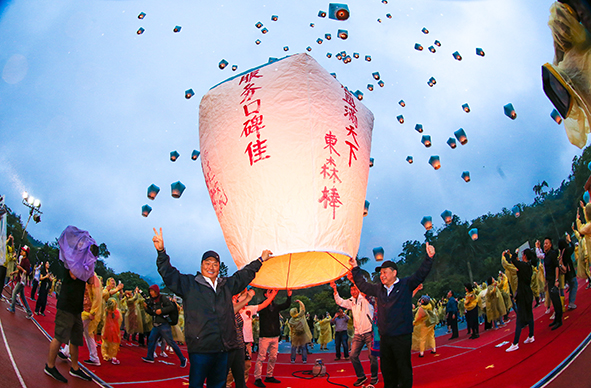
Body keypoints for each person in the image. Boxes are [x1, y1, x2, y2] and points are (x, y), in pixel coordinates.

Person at [152, 227, 272, 388]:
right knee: (196, 384)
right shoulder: (190, 284)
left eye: (215, 264)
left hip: (223, 349)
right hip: (200, 349)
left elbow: (243, 275)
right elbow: (169, 274)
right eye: (207, 263)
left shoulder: (225, 286)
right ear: (201, 265)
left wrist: (260, 260)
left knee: (218, 385)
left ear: (218, 267)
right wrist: (161, 252)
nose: (211, 267)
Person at [351, 242, 435, 388]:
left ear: (394, 273)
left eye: (385, 272)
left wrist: (429, 257)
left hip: (402, 336)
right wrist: (355, 268)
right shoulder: (379, 289)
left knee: (403, 368)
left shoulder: (405, 285)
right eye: (381, 273)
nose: (382, 275)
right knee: (387, 369)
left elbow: (420, 274)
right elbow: (363, 286)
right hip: (385, 338)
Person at [44, 264, 97, 382]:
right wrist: (85, 267)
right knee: (59, 336)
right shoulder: (71, 259)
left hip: (77, 307)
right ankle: (50, 366)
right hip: (66, 304)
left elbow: (91, 281)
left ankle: (74, 367)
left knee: (75, 339)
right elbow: (74, 275)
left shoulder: (85, 263)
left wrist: (91, 264)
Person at [331, 280, 378, 387]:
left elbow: (364, 291)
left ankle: (374, 377)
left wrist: (354, 280)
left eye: (355, 289)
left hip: (369, 331)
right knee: (353, 355)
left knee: (372, 356)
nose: (353, 292)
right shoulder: (351, 301)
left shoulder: (366, 299)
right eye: (351, 290)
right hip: (358, 333)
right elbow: (340, 301)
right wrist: (334, 289)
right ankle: (361, 376)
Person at [141, 284, 187, 367]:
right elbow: (152, 313)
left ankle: (183, 359)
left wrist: (161, 310)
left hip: (163, 324)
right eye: (150, 291)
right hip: (156, 324)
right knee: (151, 340)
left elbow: (171, 307)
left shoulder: (163, 298)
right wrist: (146, 308)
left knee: (170, 342)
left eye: (152, 291)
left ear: (156, 291)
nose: (151, 293)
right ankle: (150, 357)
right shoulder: (152, 300)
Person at [254, 289, 292, 388]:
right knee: (261, 357)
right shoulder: (262, 306)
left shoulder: (275, 306)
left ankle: (269, 375)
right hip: (265, 336)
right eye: (270, 292)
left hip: (275, 335)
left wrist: (289, 295)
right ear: (265, 294)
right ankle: (257, 378)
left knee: (273, 357)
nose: (273, 293)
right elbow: (259, 309)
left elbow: (286, 305)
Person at [504, 249, 535, 352]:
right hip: (528, 292)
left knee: (520, 318)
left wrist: (514, 252)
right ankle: (531, 335)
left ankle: (515, 343)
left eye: (522, 255)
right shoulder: (529, 266)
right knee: (529, 314)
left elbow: (513, 260)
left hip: (522, 293)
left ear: (525, 256)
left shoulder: (523, 266)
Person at [540, 237, 563, 329]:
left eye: (546, 243)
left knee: (556, 300)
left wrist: (556, 280)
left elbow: (556, 267)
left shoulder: (553, 254)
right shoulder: (546, 255)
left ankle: (559, 320)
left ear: (550, 245)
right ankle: (556, 319)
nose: (545, 245)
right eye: (544, 243)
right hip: (549, 280)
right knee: (553, 299)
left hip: (554, 279)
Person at [7, 245, 33, 318]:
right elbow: (19, 269)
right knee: (22, 296)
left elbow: (27, 272)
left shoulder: (26, 261)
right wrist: (14, 272)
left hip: (22, 281)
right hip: (20, 279)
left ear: (26, 253)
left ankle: (12, 308)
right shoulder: (22, 259)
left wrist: (20, 269)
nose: (21, 252)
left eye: (23, 251)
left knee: (14, 292)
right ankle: (29, 312)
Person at [289, 299, 312, 364]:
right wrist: (300, 302)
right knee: (303, 347)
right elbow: (303, 309)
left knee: (294, 347)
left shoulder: (291, 320)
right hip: (302, 334)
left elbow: (291, 327)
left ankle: (293, 359)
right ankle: (304, 359)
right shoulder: (301, 316)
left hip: (295, 334)